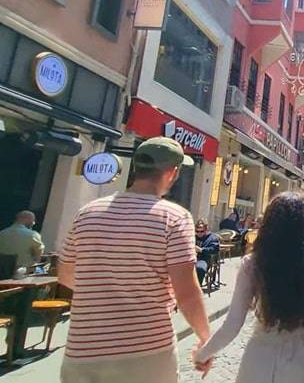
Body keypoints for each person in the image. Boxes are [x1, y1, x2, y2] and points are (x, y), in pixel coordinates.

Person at [57, 137, 211, 383]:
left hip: (82, 350)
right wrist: (206, 340)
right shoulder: (174, 217)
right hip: (146, 352)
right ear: (172, 172)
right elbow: (187, 293)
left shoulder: (88, 211)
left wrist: (104, 291)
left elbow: (65, 274)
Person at [194, 192, 304, 382]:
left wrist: (203, 354)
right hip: (303, 358)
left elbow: (232, 324)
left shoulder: (253, 262)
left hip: (259, 358)